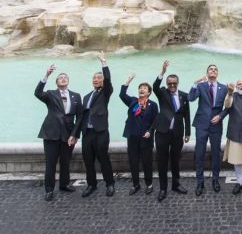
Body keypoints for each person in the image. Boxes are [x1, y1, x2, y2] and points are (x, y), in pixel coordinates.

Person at [34, 64, 82, 201]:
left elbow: (79, 117)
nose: (63, 78)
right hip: (51, 133)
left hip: (68, 135)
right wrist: (46, 76)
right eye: (60, 77)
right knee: (51, 163)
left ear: (68, 81)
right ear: (56, 82)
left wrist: (75, 134)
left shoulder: (76, 96)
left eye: (65, 77)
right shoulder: (50, 94)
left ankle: (64, 184)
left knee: (66, 162)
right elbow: (37, 93)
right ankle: (49, 189)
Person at [75, 51, 115, 198]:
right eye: (94, 78)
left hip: (101, 132)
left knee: (103, 158)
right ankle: (91, 184)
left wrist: (104, 63)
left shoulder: (105, 93)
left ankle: (110, 184)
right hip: (87, 133)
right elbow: (81, 117)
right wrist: (75, 135)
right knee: (88, 160)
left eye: (99, 78)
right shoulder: (86, 97)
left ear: (103, 81)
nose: (96, 80)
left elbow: (109, 81)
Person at [153, 61, 190, 202]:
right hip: (162, 133)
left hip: (177, 134)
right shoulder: (162, 92)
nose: (172, 86)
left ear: (178, 83)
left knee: (175, 160)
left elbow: (187, 115)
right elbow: (155, 86)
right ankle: (163, 188)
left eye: (174, 83)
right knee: (162, 161)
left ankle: (176, 184)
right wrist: (162, 72)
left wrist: (187, 133)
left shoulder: (184, 96)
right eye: (170, 84)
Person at [189, 64, 228, 195]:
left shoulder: (224, 88)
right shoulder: (201, 86)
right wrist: (195, 83)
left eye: (215, 69)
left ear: (218, 73)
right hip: (201, 124)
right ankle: (200, 182)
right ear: (207, 73)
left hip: (216, 125)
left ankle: (215, 180)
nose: (213, 71)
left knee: (216, 153)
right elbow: (190, 98)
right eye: (211, 69)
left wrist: (221, 116)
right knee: (199, 153)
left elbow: (228, 107)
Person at [120, 74, 158, 196]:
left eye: (144, 88)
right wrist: (128, 81)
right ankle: (135, 184)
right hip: (132, 137)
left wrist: (150, 131)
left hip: (146, 138)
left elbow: (155, 120)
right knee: (133, 162)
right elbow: (122, 95)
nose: (141, 89)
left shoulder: (153, 105)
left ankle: (149, 184)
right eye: (140, 88)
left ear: (149, 92)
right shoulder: (133, 101)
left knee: (147, 162)